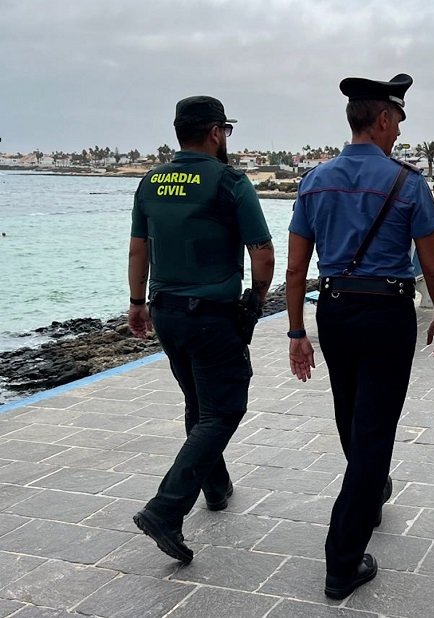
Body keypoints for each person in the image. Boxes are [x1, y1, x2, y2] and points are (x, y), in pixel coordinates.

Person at [286, 73, 434, 600]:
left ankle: (369, 488)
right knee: (374, 432)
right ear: (382, 118)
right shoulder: (408, 183)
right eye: (398, 121)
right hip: (387, 314)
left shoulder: (315, 180)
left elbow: (295, 270)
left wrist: (296, 331)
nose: (399, 132)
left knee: (349, 410)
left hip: (334, 310)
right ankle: (342, 560)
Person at [127, 95, 275, 565]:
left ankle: (217, 486)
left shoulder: (151, 182)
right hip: (211, 315)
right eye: (226, 131)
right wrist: (254, 301)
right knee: (224, 409)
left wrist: (136, 303)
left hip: (165, 311)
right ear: (215, 132)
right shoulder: (230, 182)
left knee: (198, 402)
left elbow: (138, 250)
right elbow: (263, 253)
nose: (226, 139)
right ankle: (166, 509)